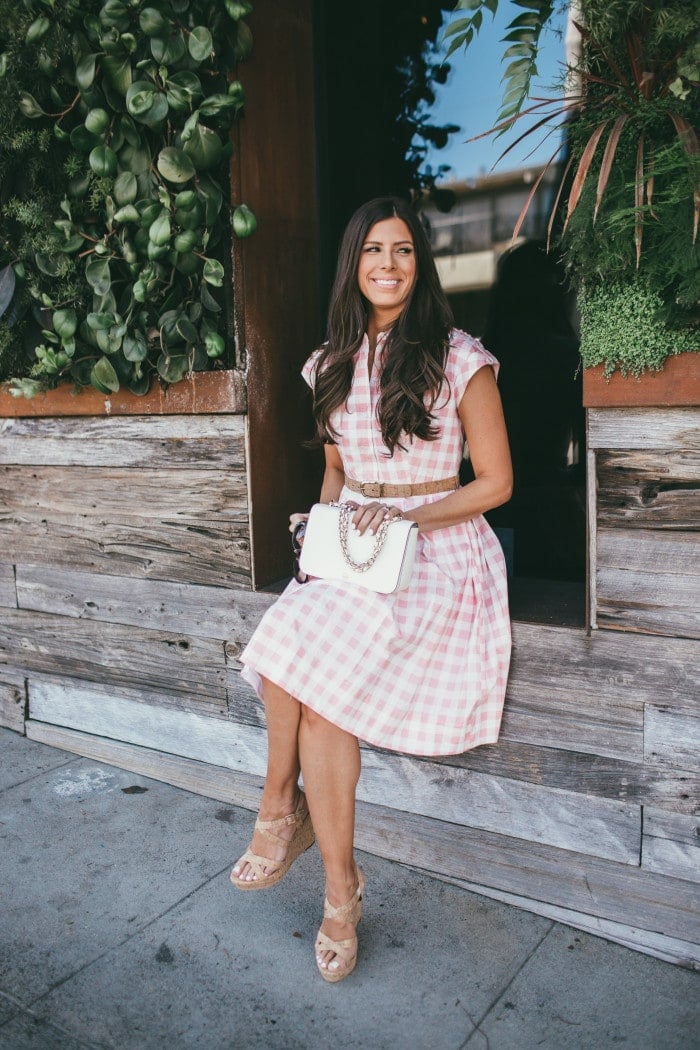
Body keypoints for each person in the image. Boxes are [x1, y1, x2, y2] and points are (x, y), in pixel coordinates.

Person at [231, 196, 513, 983]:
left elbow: (496, 483)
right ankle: (320, 863)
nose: (387, 265)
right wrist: (319, 543)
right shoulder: (327, 362)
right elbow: (333, 472)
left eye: (403, 251)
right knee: (290, 636)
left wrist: (405, 517)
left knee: (318, 693)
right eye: (372, 252)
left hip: (439, 549)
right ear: (353, 266)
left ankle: (308, 853)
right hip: (354, 547)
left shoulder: (459, 357)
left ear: (419, 267)